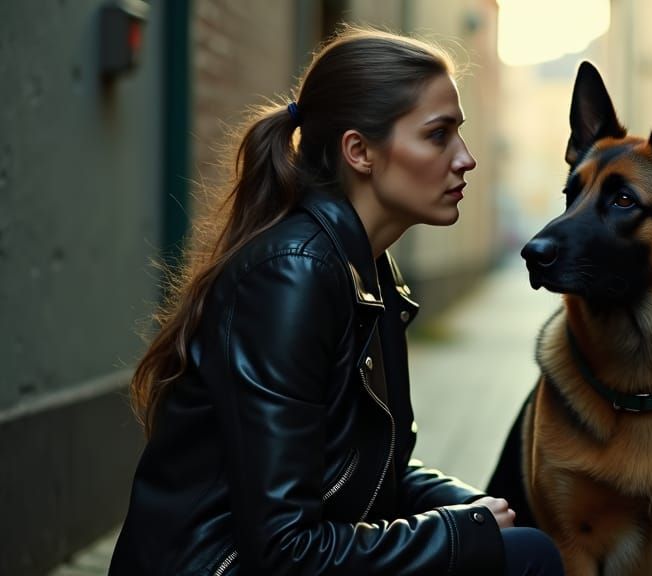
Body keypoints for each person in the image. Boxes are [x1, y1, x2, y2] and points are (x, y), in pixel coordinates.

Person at [109, 26, 564, 576]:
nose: (466, 159)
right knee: (524, 557)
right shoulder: (293, 275)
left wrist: (473, 508)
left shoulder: (367, 268)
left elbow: (380, 473)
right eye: (439, 135)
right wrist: (460, 534)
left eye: (459, 134)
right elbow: (285, 550)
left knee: (519, 540)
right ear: (359, 151)